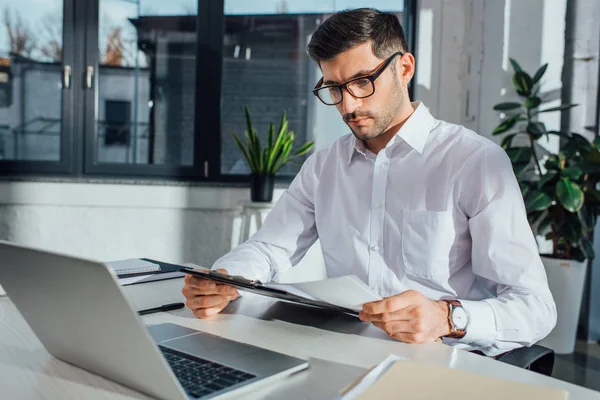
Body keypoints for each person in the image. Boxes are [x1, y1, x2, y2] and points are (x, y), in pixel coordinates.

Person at [182, 8, 556, 356]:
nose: (347, 106)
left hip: (440, 359)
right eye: (334, 88)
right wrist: (225, 278)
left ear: (404, 68)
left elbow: (535, 307)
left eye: (362, 81)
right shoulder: (324, 167)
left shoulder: (475, 162)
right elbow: (268, 249)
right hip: (345, 352)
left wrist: (448, 318)